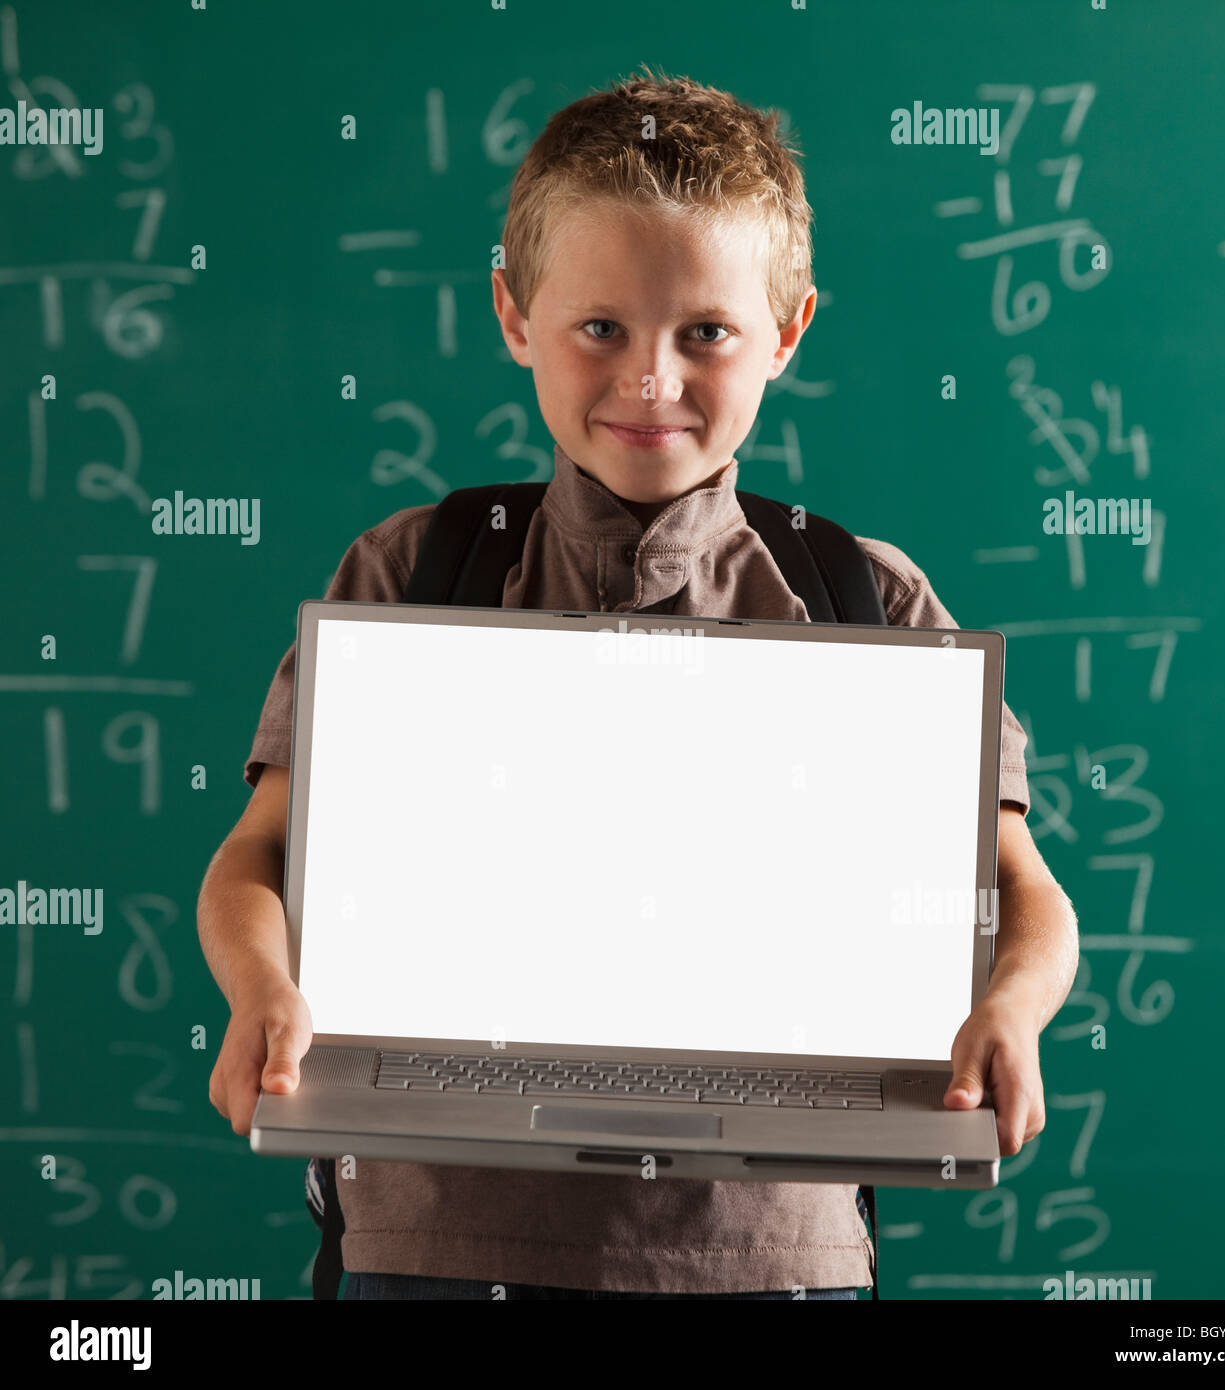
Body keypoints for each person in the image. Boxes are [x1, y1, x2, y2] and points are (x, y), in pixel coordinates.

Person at [200, 68, 1078, 1300]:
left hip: (768, 1255)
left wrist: (1014, 1011)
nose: (652, 380)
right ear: (514, 316)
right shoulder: (410, 573)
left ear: (787, 331)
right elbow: (255, 856)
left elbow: (1022, 889)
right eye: (599, 327)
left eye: (705, 331)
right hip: (437, 1241)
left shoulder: (861, 596)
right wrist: (262, 985)